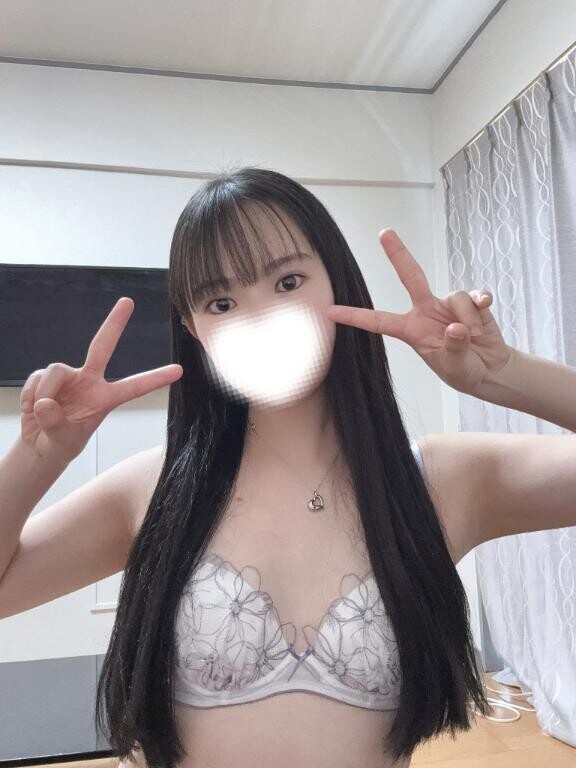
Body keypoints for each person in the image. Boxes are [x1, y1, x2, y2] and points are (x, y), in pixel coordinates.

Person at [0, 166, 490, 768]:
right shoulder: (154, 486)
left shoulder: (439, 479)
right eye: (222, 302)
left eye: (288, 281)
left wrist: (501, 376)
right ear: (195, 330)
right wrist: (37, 459)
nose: (261, 320)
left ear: (338, 283)